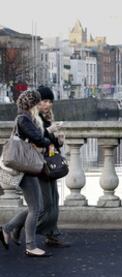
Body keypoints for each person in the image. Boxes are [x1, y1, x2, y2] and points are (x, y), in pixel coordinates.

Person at [0, 90, 52, 257]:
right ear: (32, 104)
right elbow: (39, 138)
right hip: (25, 167)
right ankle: (30, 246)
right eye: (37, 102)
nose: (39, 105)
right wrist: (47, 138)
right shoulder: (24, 119)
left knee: (36, 207)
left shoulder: (24, 117)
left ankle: (7, 229)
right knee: (36, 208)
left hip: (25, 165)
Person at [35, 86, 70, 247]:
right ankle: (13, 227)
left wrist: (59, 141)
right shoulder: (33, 118)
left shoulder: (48, 118)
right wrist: (50, 130)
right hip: (38, 165)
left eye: (50, 101)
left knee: (54, 200)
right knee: (45, 205)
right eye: (44, 101)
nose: (48, 105)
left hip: (49, 164)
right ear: (37, 102)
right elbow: (36, 138)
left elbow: (50, 143)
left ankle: (52, 235)